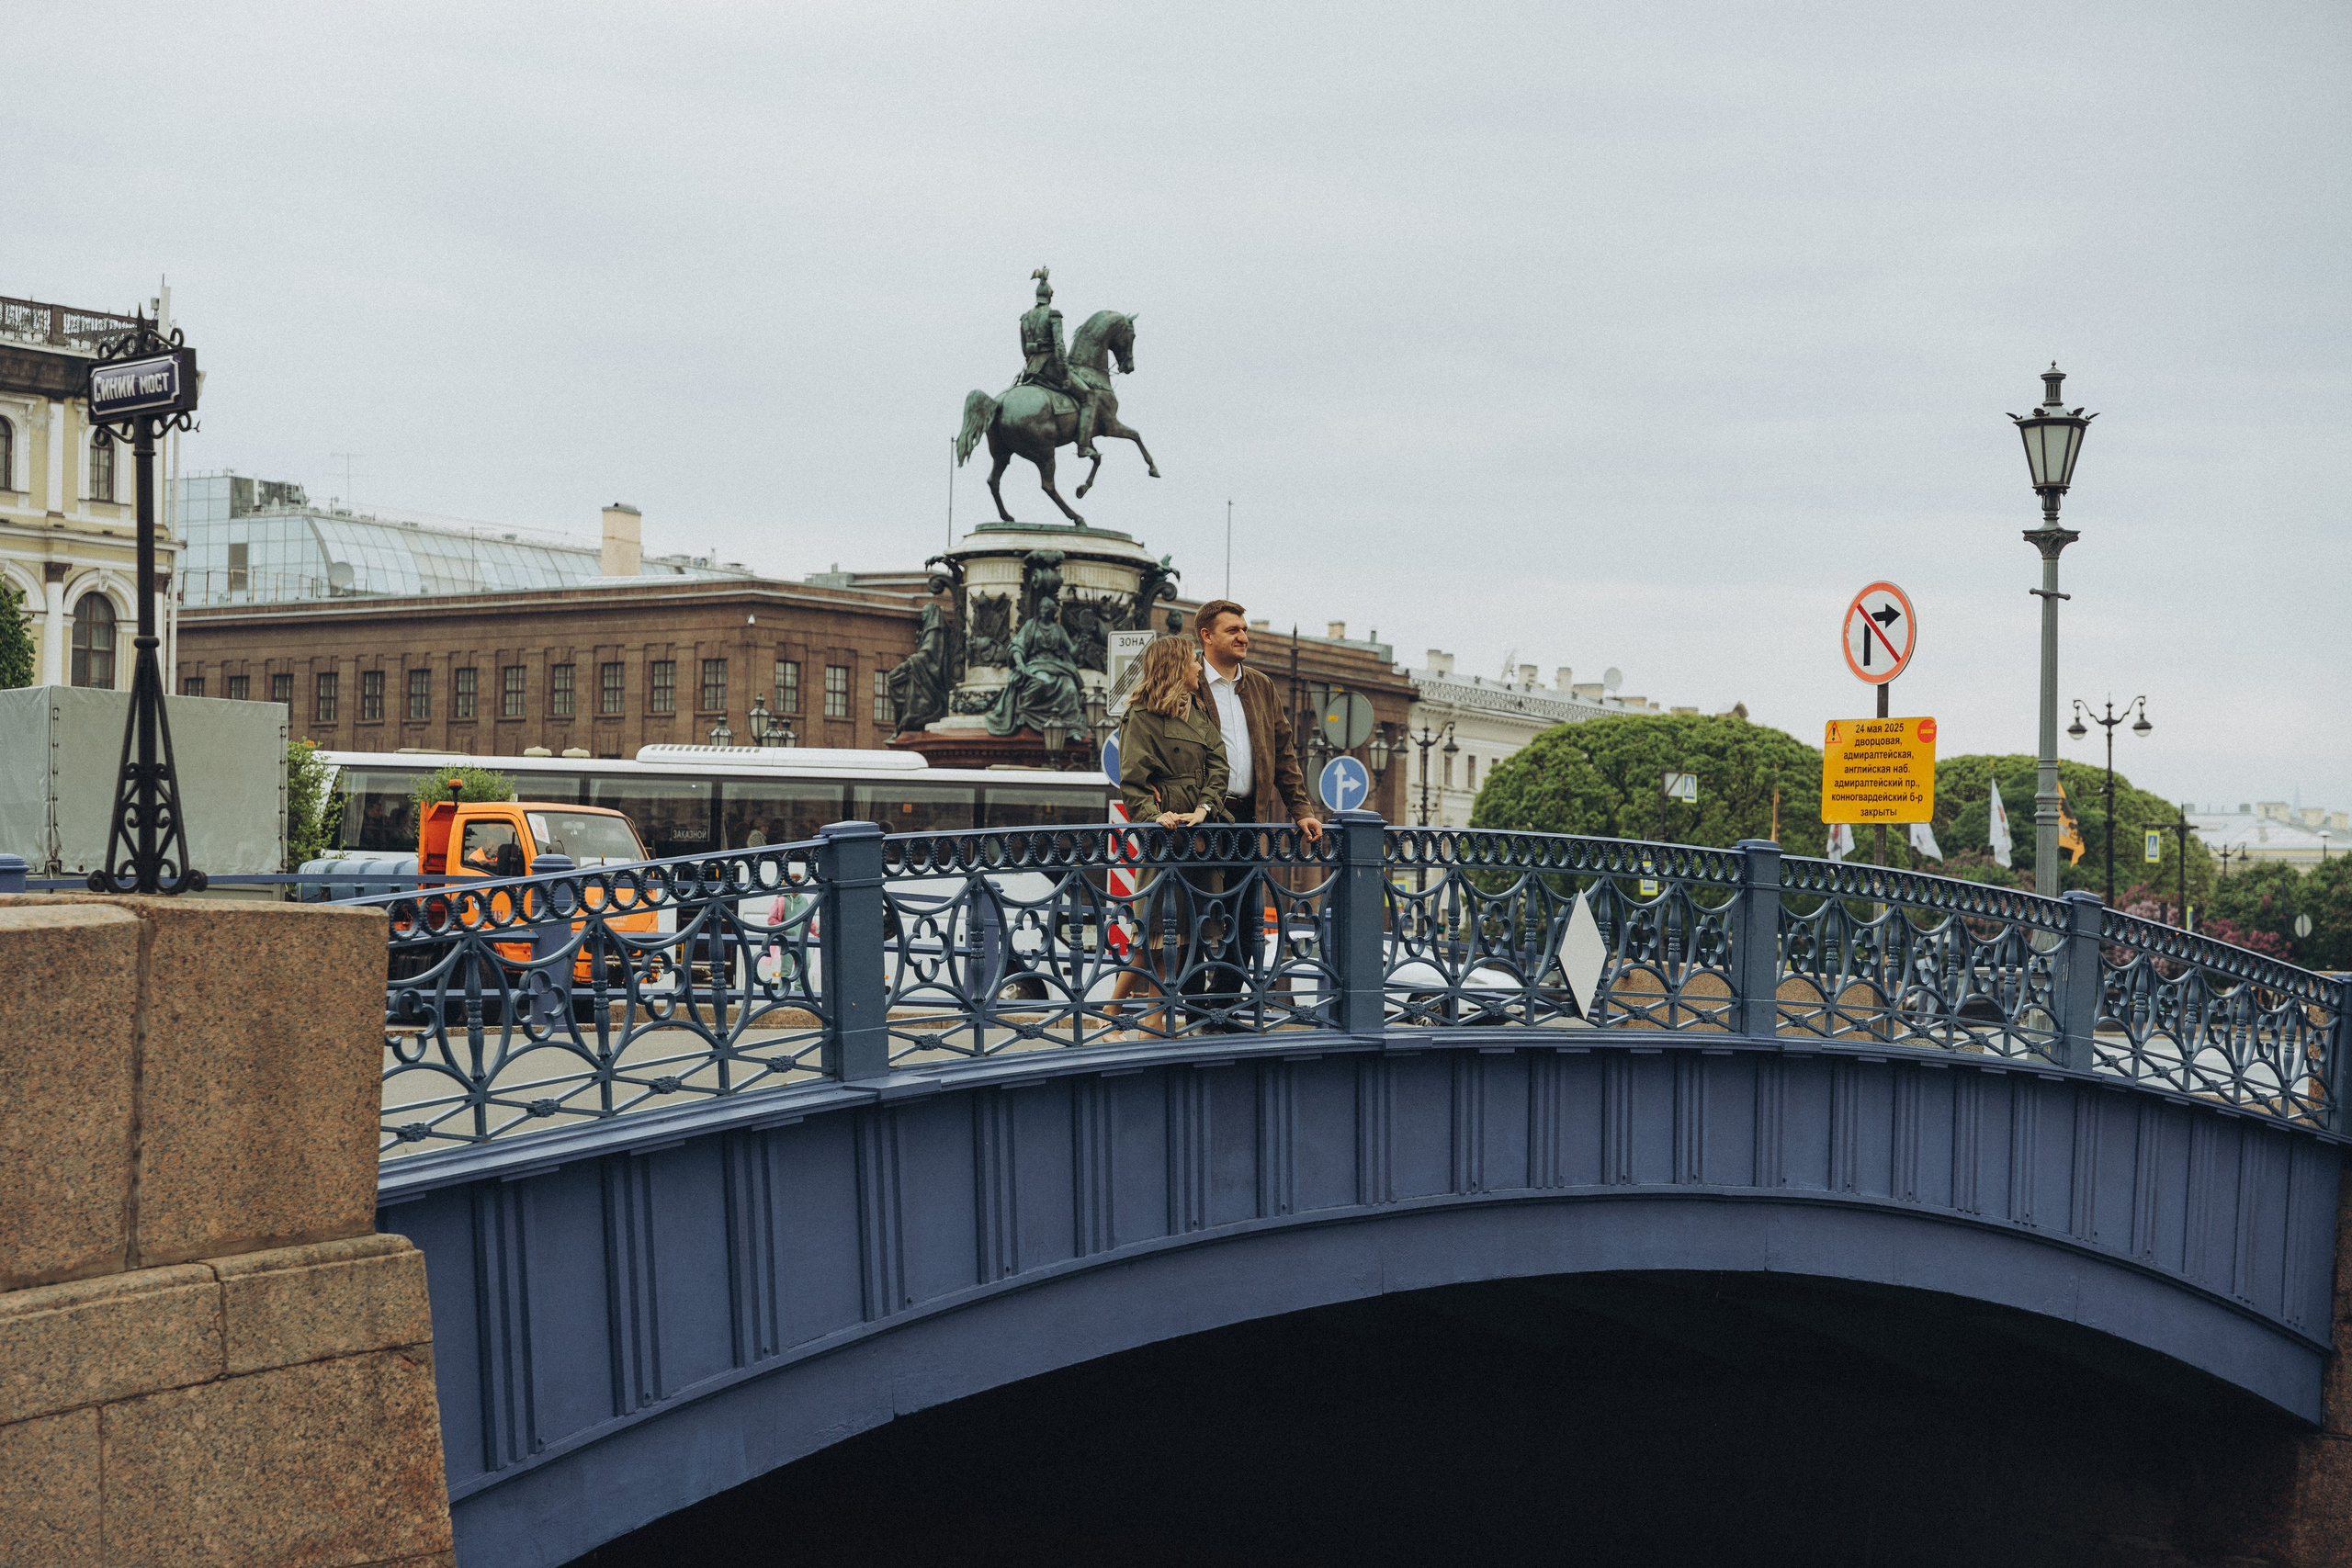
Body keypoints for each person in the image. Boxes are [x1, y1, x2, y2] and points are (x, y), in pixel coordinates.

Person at [1106, 637, 1228, 1039]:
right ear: (1176, 667)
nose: (1199, 668)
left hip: (1200, 833)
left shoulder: (1198, 711)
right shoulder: (1140, 716)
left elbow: (1218, 765)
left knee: (1177, 937)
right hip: (1167, 837)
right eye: (1193, 662)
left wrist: (1205, 808)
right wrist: (1155, 816)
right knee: (1154, 933)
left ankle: (1150, 1022)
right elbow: (1134, 782)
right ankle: (1114, 1014)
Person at [1015, 266, 1101, 461]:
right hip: (1051, 367)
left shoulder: (1025, 318)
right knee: (1089, 396)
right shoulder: (1053, 315)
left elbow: (1023, 348)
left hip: (1032, 369)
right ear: (1050, 297)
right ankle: (1084, 445)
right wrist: (1064, 372)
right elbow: (1059, 345)